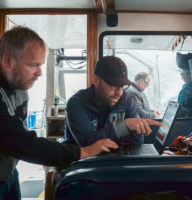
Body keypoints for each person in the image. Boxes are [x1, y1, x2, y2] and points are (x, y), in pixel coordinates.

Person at [0, 26, 119, 200]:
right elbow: (18, 141)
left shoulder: (19, 86)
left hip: (9, 174)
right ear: (7, 61)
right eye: (33, 65)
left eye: (41, 65)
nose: (39, 72)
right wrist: (82, 152)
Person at [64, 56, 162, 147]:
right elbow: (87, 143)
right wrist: (124, 127)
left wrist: (100, 137)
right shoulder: (76, 104)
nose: (119, 92)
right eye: (114, 86)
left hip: (115, 159)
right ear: (96, 80)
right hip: (81, 163)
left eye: (122, 87)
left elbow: (137, 140)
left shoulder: (125, 99)